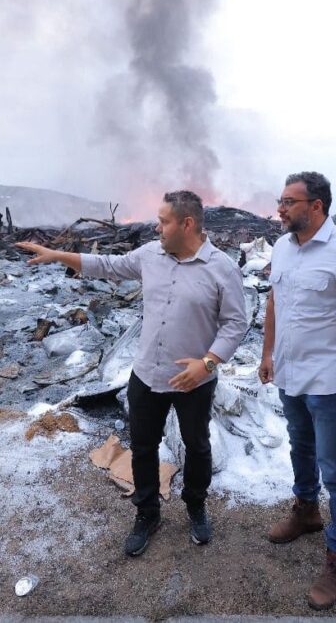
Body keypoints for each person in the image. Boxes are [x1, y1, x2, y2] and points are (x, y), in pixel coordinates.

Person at [16, 191, 247, 557]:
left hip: (195, 380)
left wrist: (207, 363)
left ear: (187, 224)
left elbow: (236, 323)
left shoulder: (222, 268)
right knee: (143, 447)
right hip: (147, 375)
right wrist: (58, 255)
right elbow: (107, 265)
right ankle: (147, 513)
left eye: (164, 221)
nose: (157, 227)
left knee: (198, 448)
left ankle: (196, 505)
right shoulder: (149, 256)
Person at [258, 171, 336, 610]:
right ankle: (307, 511)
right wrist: (267, 353)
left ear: (317, 206)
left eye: (289, 201)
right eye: (280, 200)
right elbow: (275, 301)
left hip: (331, 383)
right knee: (300, 449)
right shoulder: (281, 247)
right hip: (291, 376)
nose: (280, 208)